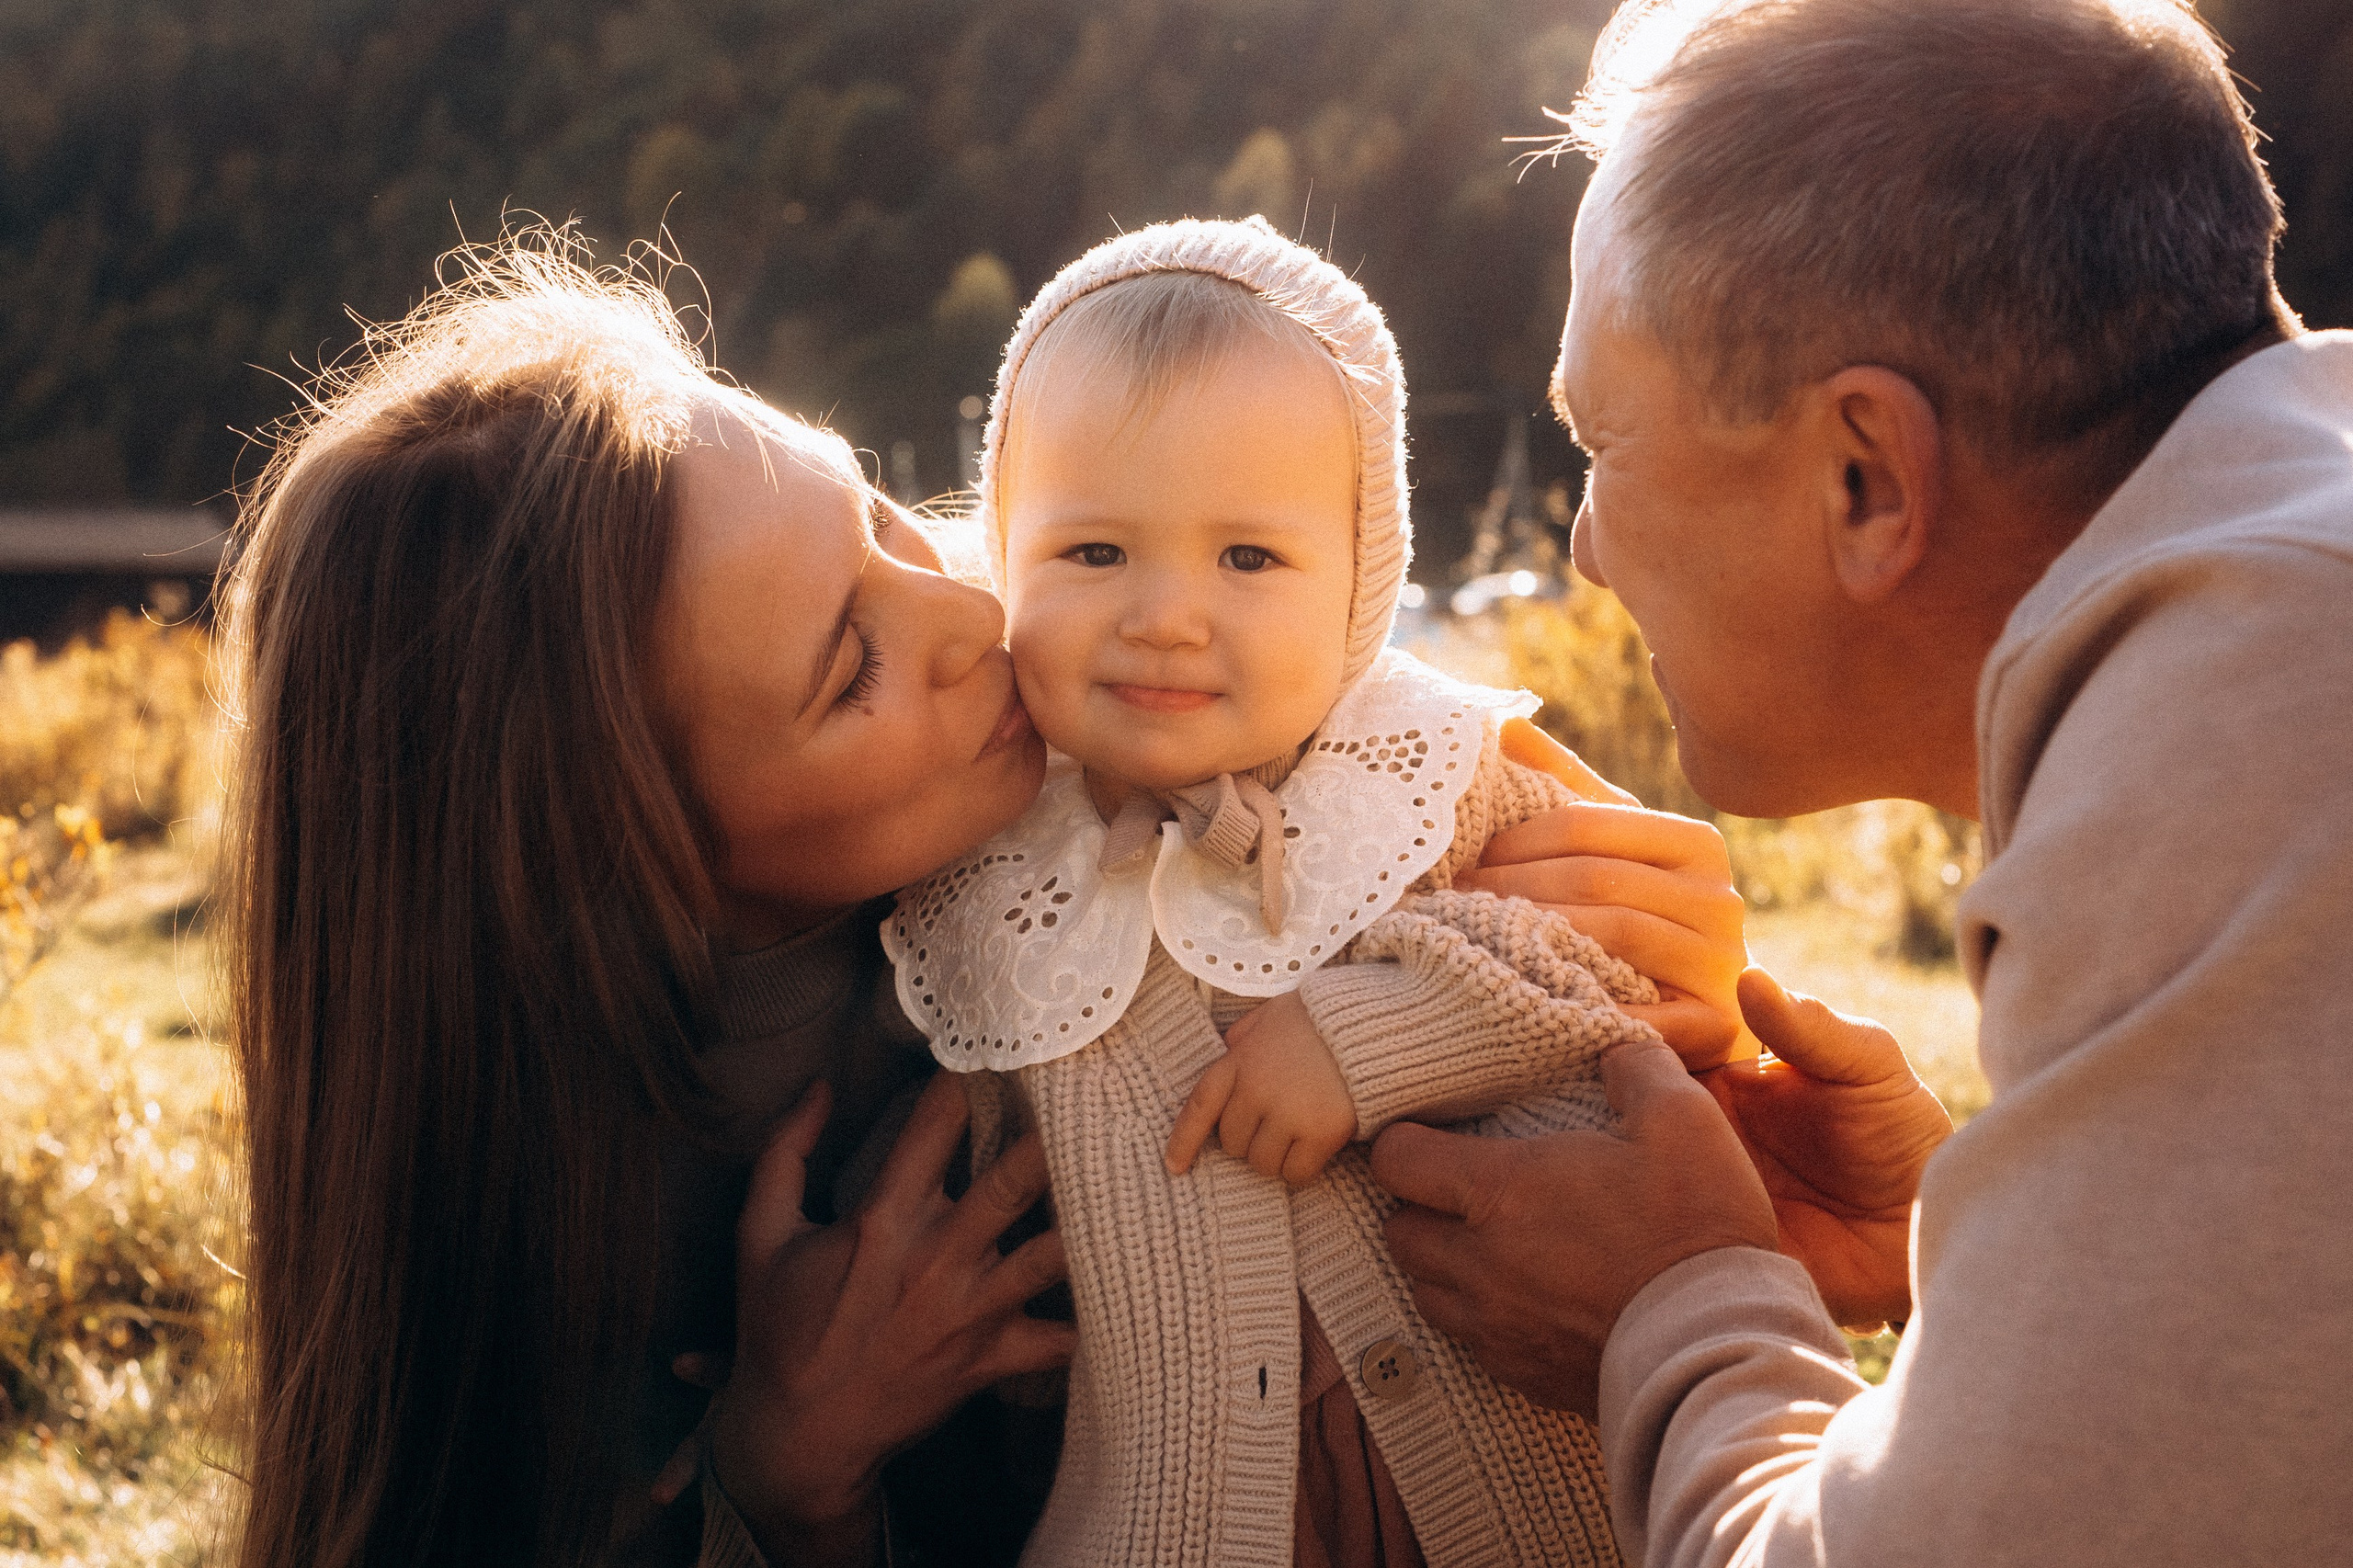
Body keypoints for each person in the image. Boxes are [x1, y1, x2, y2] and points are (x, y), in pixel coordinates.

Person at [217, 233, 1744, 1568]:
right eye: (850, 668)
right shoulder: (560, 1251)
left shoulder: (1170, 737)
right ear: (630, 864)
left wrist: (1669, 1022)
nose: (971, 609)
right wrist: (785, 1482)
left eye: (885, 514)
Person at [1368, 0, 2353, 1563]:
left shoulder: (2255, 710)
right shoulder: (2291, 578)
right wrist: (1956, 1233)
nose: (1585, 548)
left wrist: (1675, 1306)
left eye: (1603, 444)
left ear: (1865, 477)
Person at [884, 217, 1750, 1567]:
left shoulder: (1428, 767)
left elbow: (1614, 981)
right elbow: (971, 1173)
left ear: (1361, 575)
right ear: (1004, 555)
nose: (1168, 615)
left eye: (1248, 559)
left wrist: (1372, 1029)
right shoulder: (978, 877)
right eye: (1094, 554)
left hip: (1519, 1486)